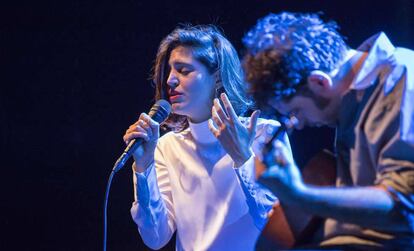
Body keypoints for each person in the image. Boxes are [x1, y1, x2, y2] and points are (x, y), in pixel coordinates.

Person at [242, 12, 414, 250]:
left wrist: (299, 195)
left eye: (296, 112)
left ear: (319, 82)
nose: (299, 124)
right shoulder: (349, 103)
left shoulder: (402, 78)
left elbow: (402, 208)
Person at [123, 24, 292, 250]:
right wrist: (143, 168)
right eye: (170, 72)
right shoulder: (167, 147)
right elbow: (155, 237)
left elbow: (278, 226)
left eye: (183, 71)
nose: (170, 80)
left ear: (218, 78)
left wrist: (242, 156)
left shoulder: (265, 133)